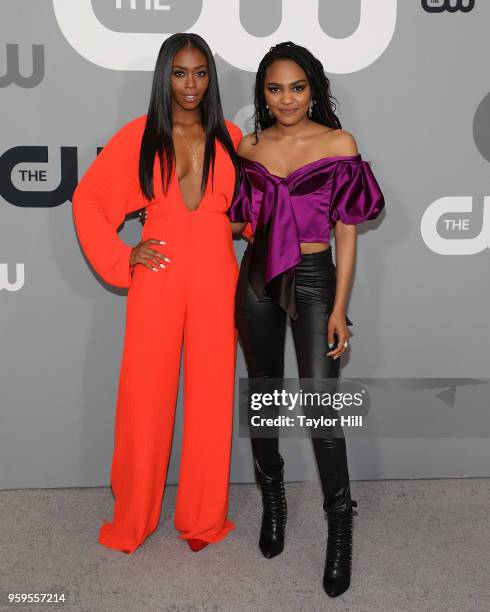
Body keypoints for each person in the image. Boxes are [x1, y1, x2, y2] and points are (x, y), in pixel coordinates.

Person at [72, 33, 242, 555]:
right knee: (145, 397)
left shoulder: (231, 135)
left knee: (213, 398)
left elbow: (246, 214)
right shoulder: (141, 136)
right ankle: (134, 518)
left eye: (200, 73)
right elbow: (89, 200)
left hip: (218, 275)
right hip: (159, 273)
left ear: (210, 78)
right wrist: (126, 257)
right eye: (179, 73)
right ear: (164, 75)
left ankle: (203, 518)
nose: (190, 85)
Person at [227, 42, 385, 598]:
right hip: (257, 283)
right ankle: (275, 505)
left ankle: (339, 530)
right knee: (264, 396)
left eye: (297, 87)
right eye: (275, 88)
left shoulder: (339, 144)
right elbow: (241, 221)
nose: (287, 98)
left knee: (322, 408)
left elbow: (347, 231)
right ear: (262, 95)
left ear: (313, 89)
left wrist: (340, 308)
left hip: (318, 280)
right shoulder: (249, 147)